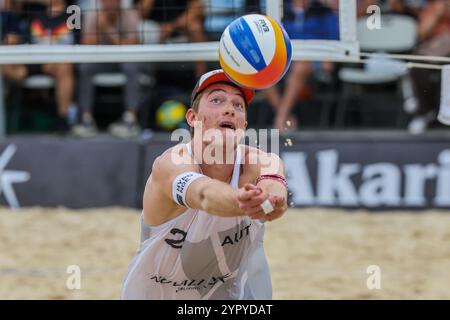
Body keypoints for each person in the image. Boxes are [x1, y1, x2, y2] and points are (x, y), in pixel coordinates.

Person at [121, 69, 288, 299]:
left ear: (244, 124)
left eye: (238, 105)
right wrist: (245, 202)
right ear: (193, 118)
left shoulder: (263, 161)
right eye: (217, 100)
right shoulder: (171, 164)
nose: (229, 108)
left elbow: (275, 190)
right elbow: (203, 196)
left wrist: (270, 203)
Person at [263, 0, 339, 130]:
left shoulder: (322, 11)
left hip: (316, 60)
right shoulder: (280, 11)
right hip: (288, 60)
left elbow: (335, 39)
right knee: (262, 71)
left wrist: (328, 58)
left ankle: (280, 119)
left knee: (301, 66)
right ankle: (285, 117)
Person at [2, 0, 75, 132]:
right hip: (33, 58)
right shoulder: (35, 13)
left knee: (65, 67)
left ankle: (63, 120)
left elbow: (78, 42)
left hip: (57, 62)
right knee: (5, 65)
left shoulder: (73, 13)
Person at [73, 0, 143, 138]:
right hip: (101, 60)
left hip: (124, 60)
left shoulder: (131, 15)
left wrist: (107, 30)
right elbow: (86, 43)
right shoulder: (92, 15)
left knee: (132, 66)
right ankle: (86, 119)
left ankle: (130, 119)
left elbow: (134, 44)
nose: (109, 3)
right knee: (85, 67)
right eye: (106, 1)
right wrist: (114, 39)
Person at [407, 0, 450, 134]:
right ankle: (424, 112)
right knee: (417, 66)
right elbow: (422, 33)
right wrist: (438, 13)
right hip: (433, 51)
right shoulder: (432, 7)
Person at [135, 0, 207, 77]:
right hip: (153, 28)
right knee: (141, 30)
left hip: (180, 26)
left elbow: (198, 7)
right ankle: (145, 79)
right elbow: (139, 14)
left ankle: (202, 79)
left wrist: (173, 26)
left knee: (195, 27)